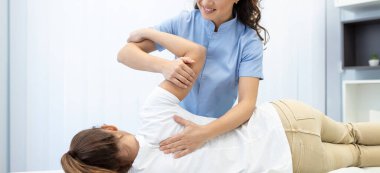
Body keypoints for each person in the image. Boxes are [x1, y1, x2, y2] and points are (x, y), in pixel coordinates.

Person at [62, 28, 380, 173]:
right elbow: (195, 53)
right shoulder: (154, 115)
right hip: (284, 117)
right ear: (109, 127)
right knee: (352, 131)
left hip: (294, 160)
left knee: (356, 156)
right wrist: (153, 37)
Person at [117, 0, 268, 158]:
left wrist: (203, 134)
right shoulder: (183, 23)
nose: (206, 2)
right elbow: (125, 54)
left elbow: (246, 105)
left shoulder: (248, 40)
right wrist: (165, 66)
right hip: (174, 125)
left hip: (215, 132)